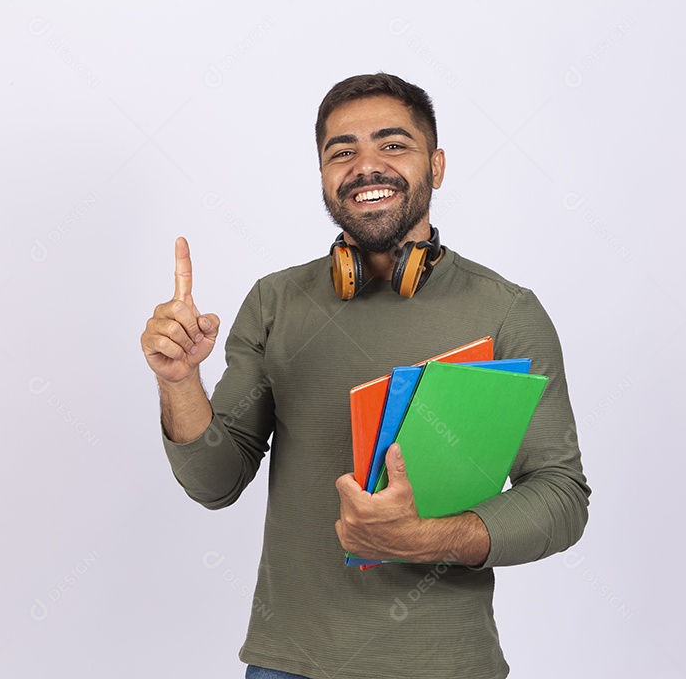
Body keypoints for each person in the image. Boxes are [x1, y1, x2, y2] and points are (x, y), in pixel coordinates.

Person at [141, 73, 590, 679]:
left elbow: (561, 497)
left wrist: (426, 540)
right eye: (342, 151)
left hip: (443, 666)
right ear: (324, 175)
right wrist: (179, 380)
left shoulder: (506, 311)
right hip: (287, 664)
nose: (365, 166)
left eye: (393, 145)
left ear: (436, 166)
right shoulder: (275, 302)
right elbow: (213, 482)